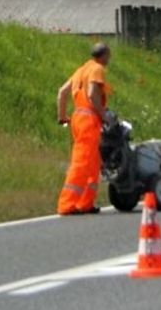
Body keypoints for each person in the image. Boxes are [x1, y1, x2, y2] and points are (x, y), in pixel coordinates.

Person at [56, 41, 112, 215]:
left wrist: (62, 117)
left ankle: (85, 203)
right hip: (89, 119)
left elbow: (62, 92)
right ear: (104, 56)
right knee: (81, 162)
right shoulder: (97, 69)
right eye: (109, 56)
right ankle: (67, 204)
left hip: (77, 118)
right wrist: (104, 115)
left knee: (93, 163)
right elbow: (92, 94)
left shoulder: (81, 70)